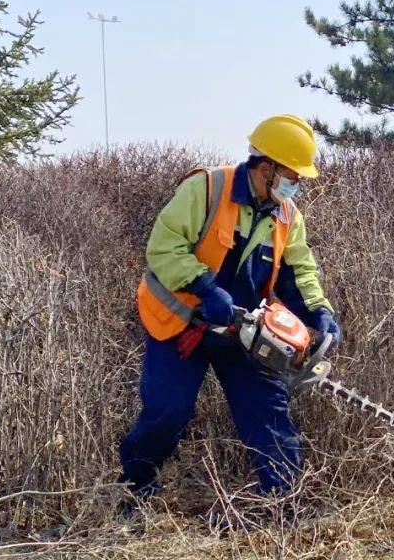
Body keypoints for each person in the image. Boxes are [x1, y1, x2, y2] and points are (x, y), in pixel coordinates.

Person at [118, 114, 341, 502]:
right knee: (166, 414)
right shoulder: (206, 189)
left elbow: (298, 271)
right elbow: (163, 248)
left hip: (245, 332)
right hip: (182, 324)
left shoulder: (287, 215)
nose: (297, 184)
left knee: (267, 411)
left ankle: (281, 504)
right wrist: (205, 287)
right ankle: (136, 489)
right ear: (266, 166)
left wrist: (319, 312)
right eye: (292, 174)